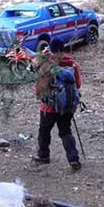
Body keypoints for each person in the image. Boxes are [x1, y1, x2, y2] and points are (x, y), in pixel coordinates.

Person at [32, 38, 82, 170]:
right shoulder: (72, 64)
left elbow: (39, 85)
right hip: (67, 106)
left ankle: (43, 156)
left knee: (44, 130)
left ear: (51, 49)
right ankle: (73, 159)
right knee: (66, 131)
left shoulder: (47, 64)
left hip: (48, 107)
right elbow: (78, 84)